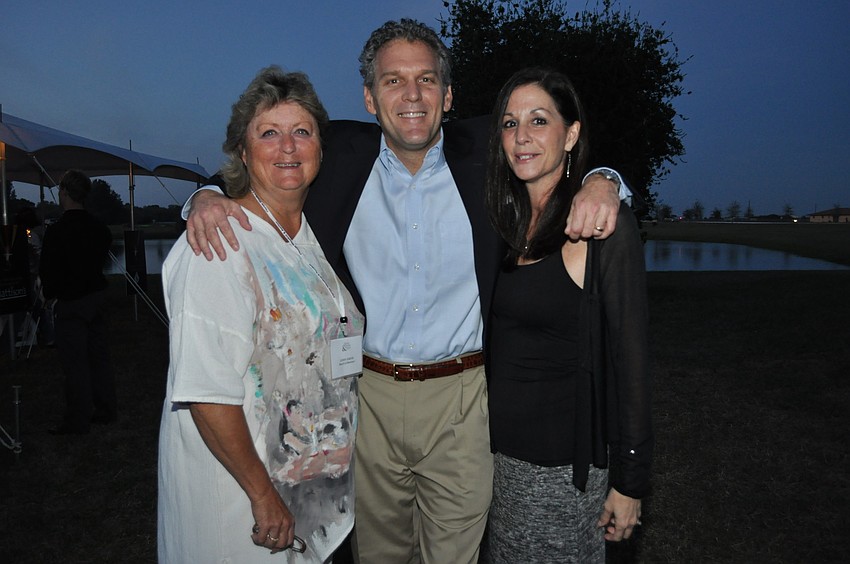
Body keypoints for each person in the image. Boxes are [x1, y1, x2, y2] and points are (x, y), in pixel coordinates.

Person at [183, 19, 626, 563]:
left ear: (448, 94)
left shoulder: (489, 150)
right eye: (393, 81)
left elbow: (559, 143)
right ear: (370, 97)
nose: (411, 95)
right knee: (378, 554)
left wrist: (605, 178)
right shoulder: (337, 152)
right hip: (367, 398)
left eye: (426, 79)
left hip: (462, 399)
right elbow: (262, 152)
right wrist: (203, 195)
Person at [157, 67, 365, 563]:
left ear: (320, 146)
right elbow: (207, 395)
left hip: (310, 491)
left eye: (302, 132)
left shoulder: (306, 239)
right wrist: (262, 496)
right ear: (243, 152)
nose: (287, 147)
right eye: (268, 133)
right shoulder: (220, 245)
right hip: (243, 501)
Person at [483, 67, 652, 563]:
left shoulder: (603, 229)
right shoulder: (501, 219)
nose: (522, 137)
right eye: (510, 124)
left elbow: (633, 363)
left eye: (539, 120)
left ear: (571, 133)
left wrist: (631, 482)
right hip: (494, 460)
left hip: (561, 471)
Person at [39, 169, 115, 435]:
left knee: (75, 362)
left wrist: (50, 294)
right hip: (96, 297)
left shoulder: (57, 232)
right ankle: (105, 408)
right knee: (99, 356)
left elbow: (48, 271)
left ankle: (77, 419)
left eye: (60, 191)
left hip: (72, 303)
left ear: (66, 193)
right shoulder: (99, 230)